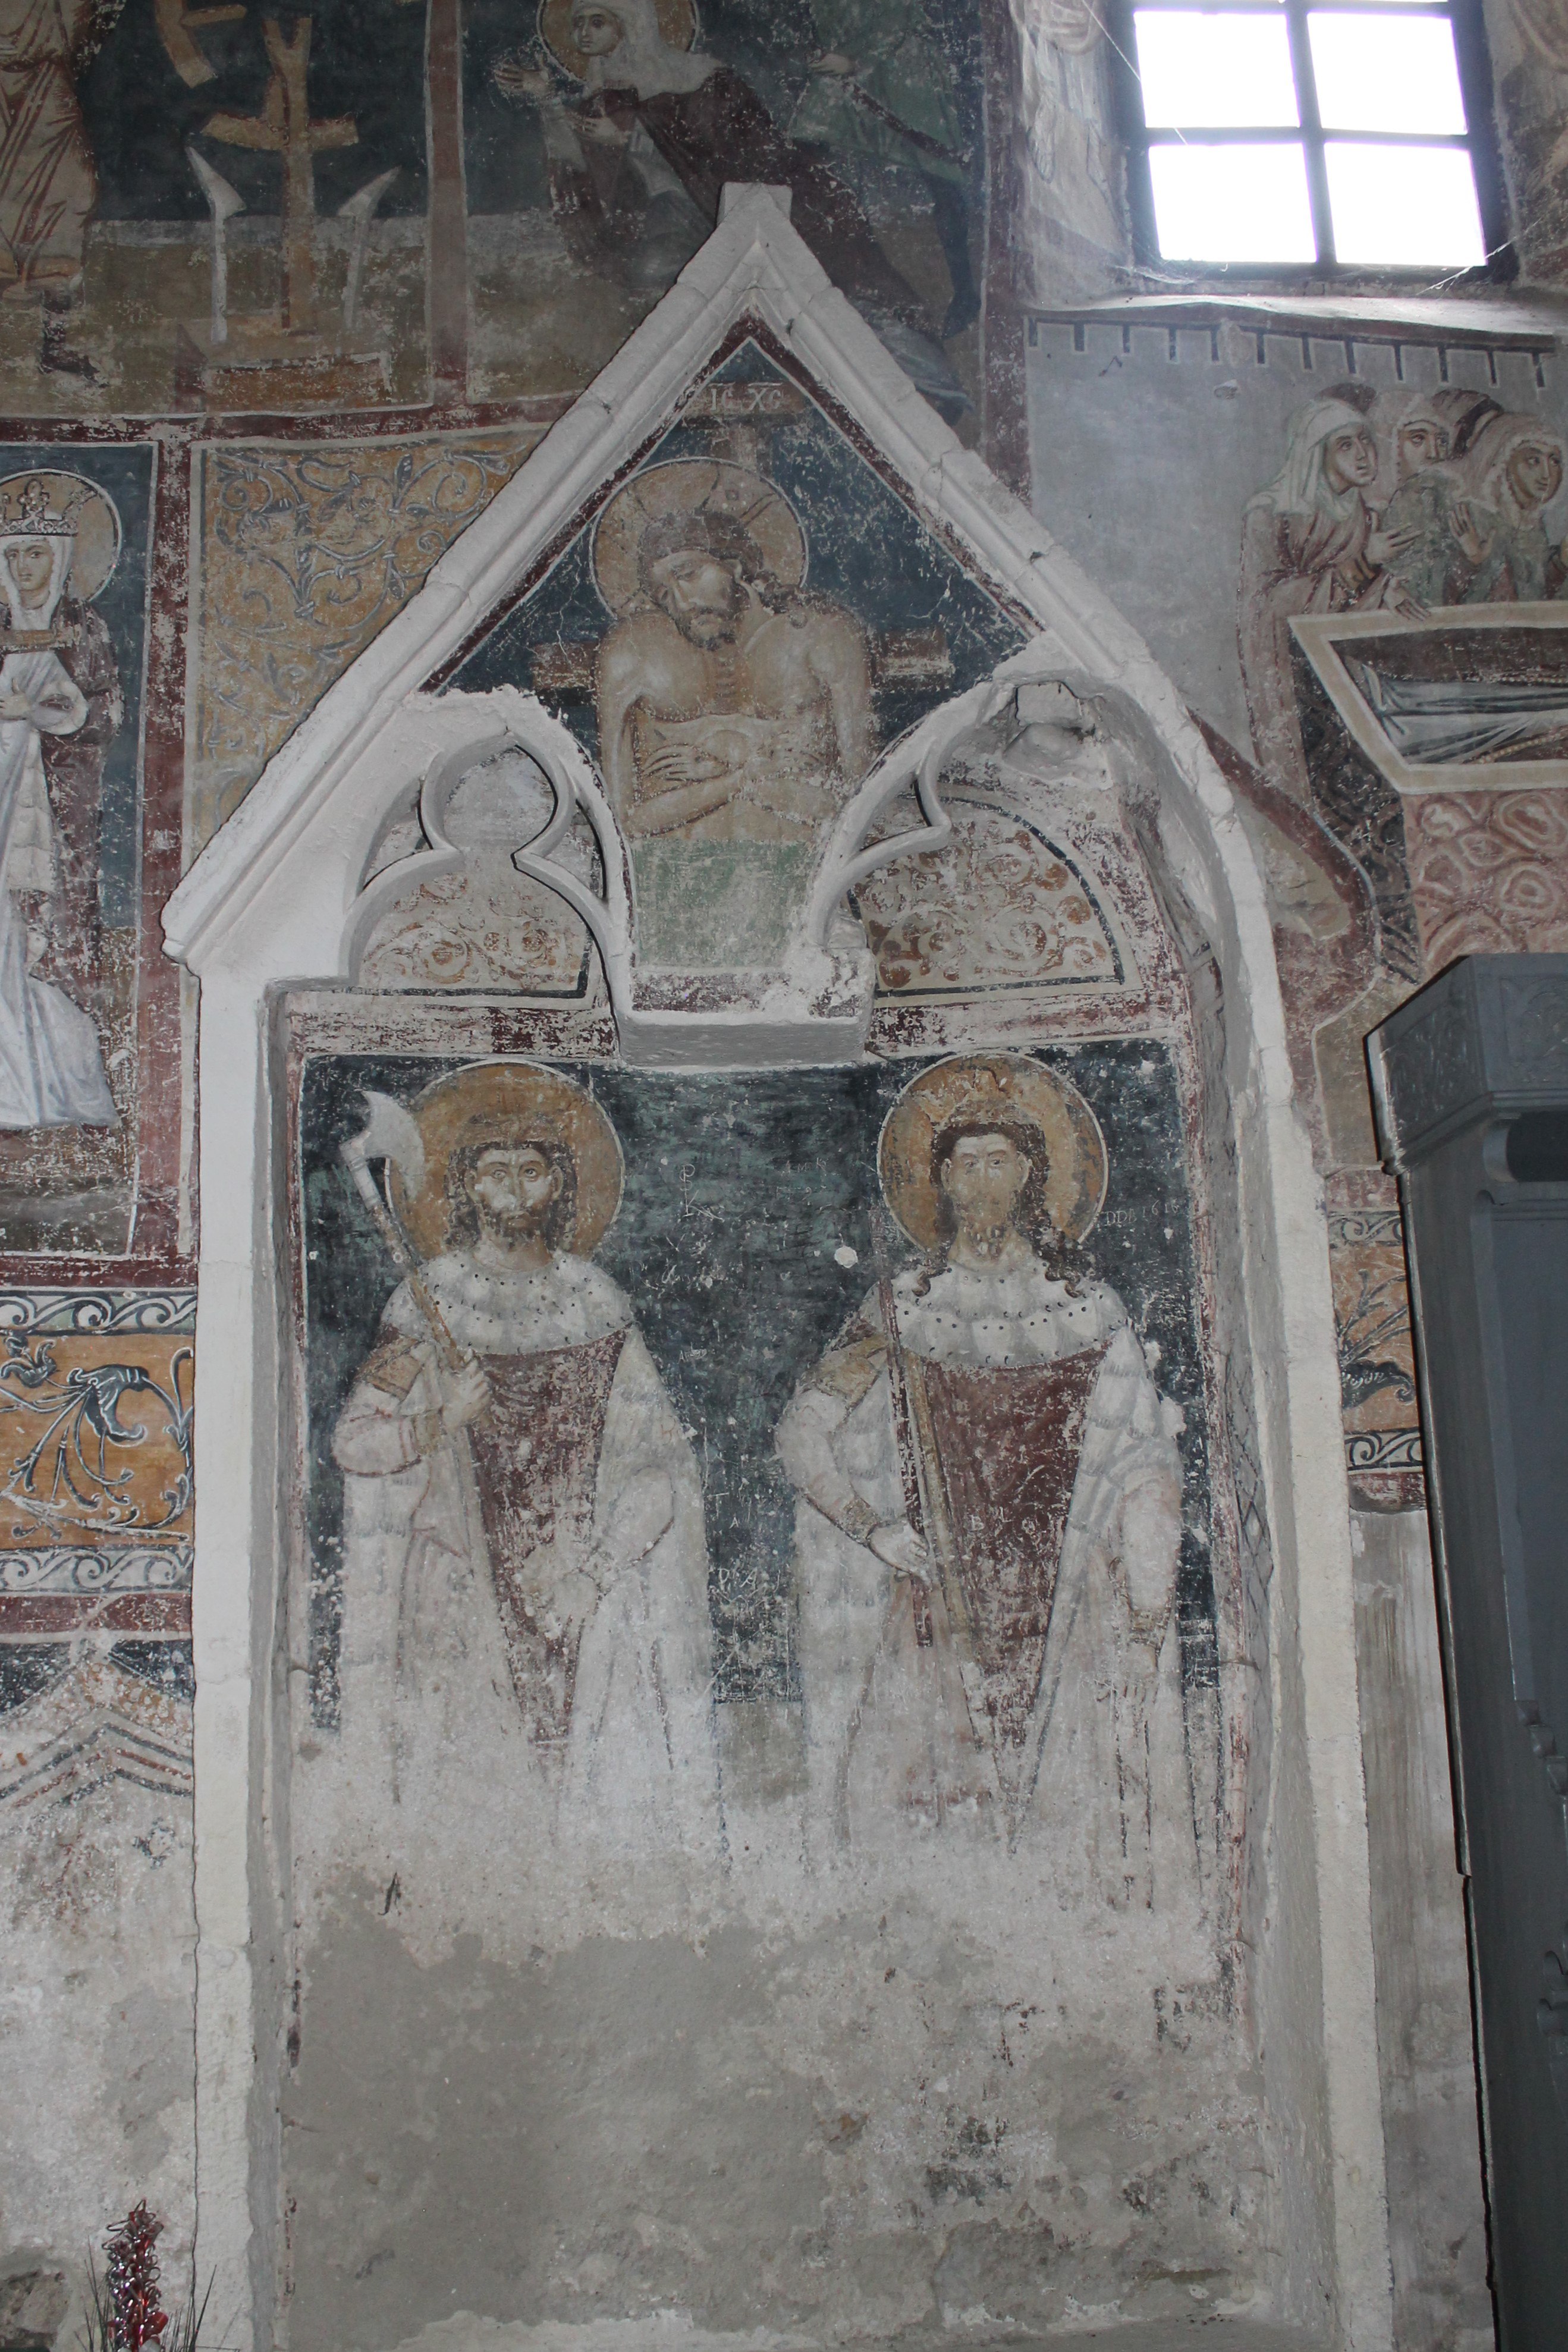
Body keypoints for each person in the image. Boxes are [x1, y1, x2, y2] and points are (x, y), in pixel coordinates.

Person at [775, 1054, 1196, 1912]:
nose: (981, 1179)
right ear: (937, 1180)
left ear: (1034, 1176)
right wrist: (869, 1525)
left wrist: (1146, 1612)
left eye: (1000, 1159)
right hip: (933, 1603)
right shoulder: (902, 1306)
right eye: (963, 1162)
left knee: (1064, 1824)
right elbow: (803, 1426)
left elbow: (1144, 1456)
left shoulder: (1088, 1309)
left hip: (1064, 1607)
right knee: (916, 1817)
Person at [331, 1066, 718, 1858]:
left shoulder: (594, 1301)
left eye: (531, 1169)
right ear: (467, 1187)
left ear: (559, 1185)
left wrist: (598, 1570)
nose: (512, 1188)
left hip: (578, 1583)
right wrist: (443, 1417)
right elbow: (355, 1439)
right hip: (463, 1582)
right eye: (492, 1170)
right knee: (470, 1811)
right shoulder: (430, 1301)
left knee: (598, 1809)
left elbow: (658, 1466)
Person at [494, 0, 969, 418]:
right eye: (577, 24)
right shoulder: (603, 97)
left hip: (746, 209)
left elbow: (743, 149)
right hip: (675, 212)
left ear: (631, 22)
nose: (583, 34)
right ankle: (694, 379)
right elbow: (584, 173)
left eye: (597, 21)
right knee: (650, 268)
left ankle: (922, 381)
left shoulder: (698, 76)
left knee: (839, 282)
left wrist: (631, 136)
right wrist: (548, 101)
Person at [596, 496, 875, 844]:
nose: (682, 603)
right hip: (672, 869)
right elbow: (624, 820)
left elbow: (860, 803)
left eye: (689, 574)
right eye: (664, 594)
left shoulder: (824, 635)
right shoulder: (631, 650)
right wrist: (745, 779)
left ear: (734, 566)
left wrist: (721, 779)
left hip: (805, 864)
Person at [0, 482, 115, 1126]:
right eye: (14, 556)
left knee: (36, 938)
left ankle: (45, 1090)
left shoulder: (82, 628)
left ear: (61, 559)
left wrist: (31, 713)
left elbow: (92, 713)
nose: (23, 568)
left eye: (35, 555)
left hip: (49, 810)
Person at [1238, 395, 1421, 802]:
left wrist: (1384, 587)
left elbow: (1350, 603)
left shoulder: (1365, 515)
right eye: (1345, 445)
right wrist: (1362, 564)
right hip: (1296, 677)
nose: (1362, 455)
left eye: (1364, 441)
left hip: (1350, 676)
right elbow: (1268, 605)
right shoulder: (1270, 514)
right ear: (1315, 453)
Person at [787, 0, 978, 339]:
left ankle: (965, 294)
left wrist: (852, 60)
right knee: (807, 143)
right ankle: (802, 275)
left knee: (941, 180)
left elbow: (896, 19)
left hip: (903, 72)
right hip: (843, 72)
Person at [1455, 410, 1568, 603]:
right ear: (1505, 460)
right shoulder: (1478, 517)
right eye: (1534, 460)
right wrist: (1474, 562)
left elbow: (1535, 597)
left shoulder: (1533, 527)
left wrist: (1561, 564)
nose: (1547, 474)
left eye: (1555, 461)